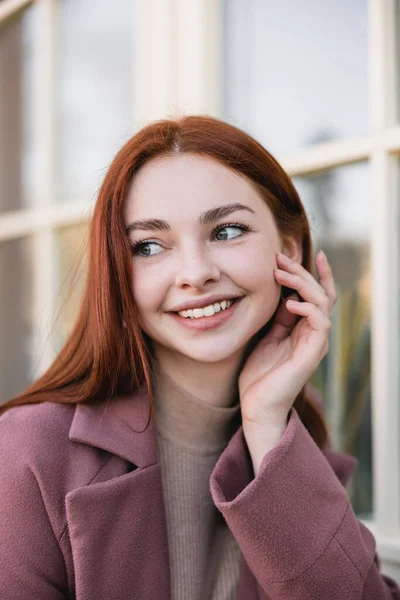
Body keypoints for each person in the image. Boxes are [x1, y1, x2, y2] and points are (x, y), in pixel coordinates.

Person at [0, 115, 398, 600]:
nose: (194, 274)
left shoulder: (294, 440)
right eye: (148, 246)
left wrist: (267, 421)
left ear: (290, 249)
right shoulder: (28, 453)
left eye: (227, 231)